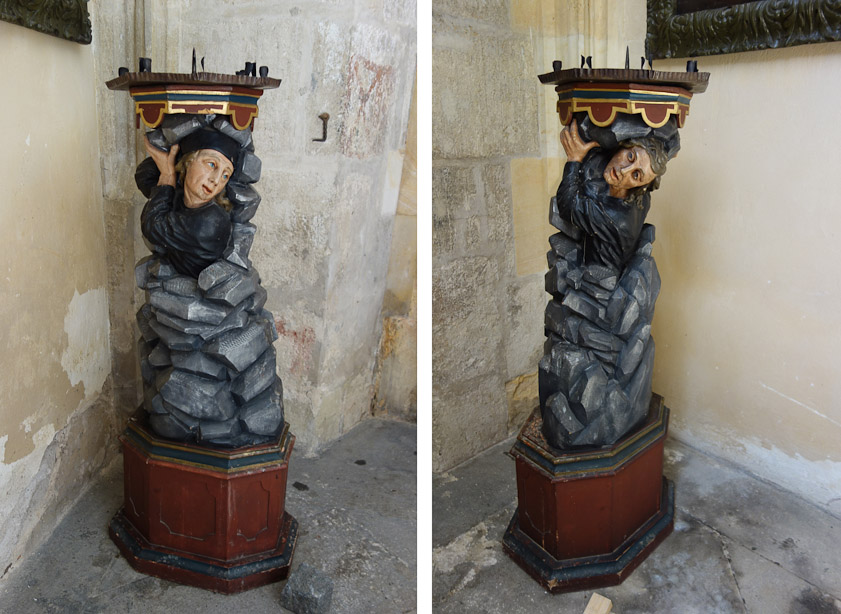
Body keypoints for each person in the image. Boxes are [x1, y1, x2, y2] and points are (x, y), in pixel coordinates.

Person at [556, 118, 668, 272]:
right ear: (623, 147)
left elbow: (568, 205)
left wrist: (574, 159)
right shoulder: (641, 197)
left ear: (640, 187)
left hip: (597, 284)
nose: (624, 170)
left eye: (636, 175)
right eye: (630, 157)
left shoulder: (616, 219)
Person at [141, 128, 239, 278]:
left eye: (225, 175)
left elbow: (152, 226)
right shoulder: (182, 197)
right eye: (211, 165)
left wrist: (168, 174)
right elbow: (143, 177)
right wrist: (169, 156)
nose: (216, 180)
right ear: (188, 162)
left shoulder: (211, 221)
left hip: (194, 290)